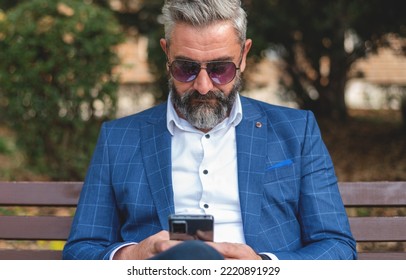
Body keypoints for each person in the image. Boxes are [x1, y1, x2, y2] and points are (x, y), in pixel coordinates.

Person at [63, 0, 356, 260]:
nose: (203, 86)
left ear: (243, 55)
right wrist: (132, 255)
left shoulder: (297, 131)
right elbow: (81, 250)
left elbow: (337, 246)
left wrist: (263, 267)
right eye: (185, 68)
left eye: (220, 69)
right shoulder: (119, 139)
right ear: (166, 55)